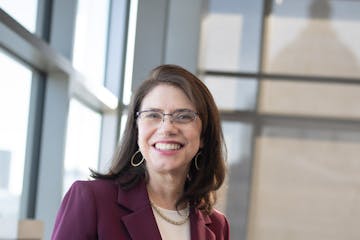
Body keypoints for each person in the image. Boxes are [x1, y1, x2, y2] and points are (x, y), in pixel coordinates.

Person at [51, 64, 229, 240]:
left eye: (183, 116)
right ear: (136, 130)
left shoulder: (217, 225)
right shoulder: (92, 200)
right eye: (153, 115)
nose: (166, 128)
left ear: (204, 135)